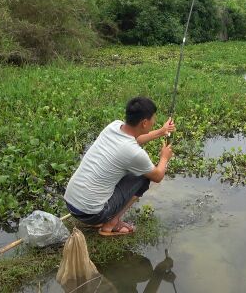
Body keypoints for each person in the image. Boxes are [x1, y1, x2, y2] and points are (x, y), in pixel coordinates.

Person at [64, 97, 175, 236]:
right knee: (143, 177)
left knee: (129, 172)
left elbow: (136, 139)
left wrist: (161, 131)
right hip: (91, 214)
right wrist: (164, 157)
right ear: (145, 123)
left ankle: (103, 218)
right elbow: (158, 176)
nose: (155, 122)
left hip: (70, 203)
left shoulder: (114, 126)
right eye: (153, 119)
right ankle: (111, 223)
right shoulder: (134, 153)